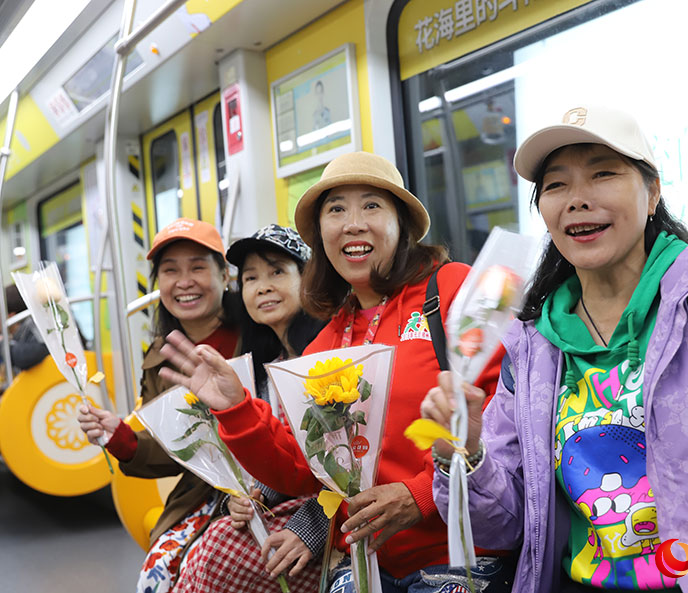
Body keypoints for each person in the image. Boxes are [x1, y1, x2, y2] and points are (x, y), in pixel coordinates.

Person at [421, 105, 688, 593]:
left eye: (603, 174)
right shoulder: (532, 348)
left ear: (652, 193)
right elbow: (506, 528)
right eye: (557, 185)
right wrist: (465, 453)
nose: (578, 200)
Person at [156, 152, 514, 593]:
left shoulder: (452, 290)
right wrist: (236, 409)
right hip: (368, 563)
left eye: (371, 205)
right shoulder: (323, 344)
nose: (353, 223)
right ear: (321, 235)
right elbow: (302, 474)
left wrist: (420, 495)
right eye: (336, 209)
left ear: (400, 222)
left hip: (462, 556)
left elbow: (504, 419)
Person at [78, 218, 242, 593]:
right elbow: (175, 451)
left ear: (224, 275)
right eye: (170, 271)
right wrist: (120, 438)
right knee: (160, 574)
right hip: (205, 491)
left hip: (277, 486)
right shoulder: (159, 358)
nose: (184, 282)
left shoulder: (259, 330)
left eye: (198, 267)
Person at [173, 224, 327, 593]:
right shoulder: (264, 365)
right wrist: (250, 496)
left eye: (277, 271)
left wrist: (308, 529)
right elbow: (283, 456)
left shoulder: (327, 357)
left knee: (213, 553)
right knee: (210, 544)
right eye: (251, 278)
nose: (263, 286)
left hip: (327, 521)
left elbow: (347, 468)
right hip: (293, 508)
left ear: (307, 277)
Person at [2, 284, 49, 374]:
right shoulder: (17, 335)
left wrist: (3, 346)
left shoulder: (34, 327)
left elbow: (40, 350)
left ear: (11, 316)